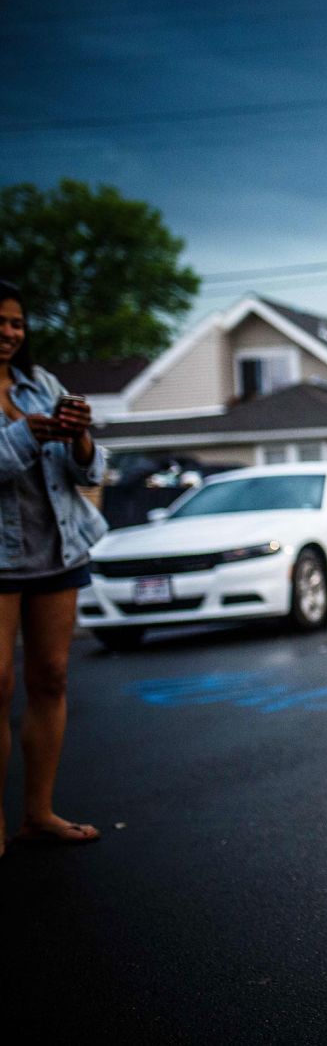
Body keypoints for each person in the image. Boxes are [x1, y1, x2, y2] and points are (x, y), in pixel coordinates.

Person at [0, 280, 109, 857]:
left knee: (51, 679)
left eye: (16, 322)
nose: (8, 332)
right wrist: (23, 435)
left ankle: (38, 813)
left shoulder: (40, 385)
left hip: (57, 552)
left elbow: (87, 474)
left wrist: (80, 434)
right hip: (0, 557)